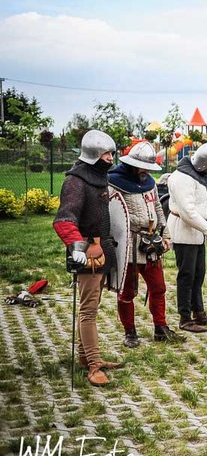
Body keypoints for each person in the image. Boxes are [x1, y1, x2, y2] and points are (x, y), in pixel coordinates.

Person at [53, 130, 123, 386]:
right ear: (94, 154)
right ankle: (94, 364)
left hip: (102, 249)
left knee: (90, 307)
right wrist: (79, 249)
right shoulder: (75, 181)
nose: (110, 158)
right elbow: (64, 221)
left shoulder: (97, 177)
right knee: (88, 311)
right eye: (107, 153)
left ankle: (85, 357)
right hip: (88, 253)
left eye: (112, 153)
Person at [108, 141, 183, 348]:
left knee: (158, 288)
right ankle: (130, 332)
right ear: (132, 164)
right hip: (129, 244)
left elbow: (158, 209)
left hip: (152, 245)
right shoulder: (114, 183)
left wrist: (166, 235)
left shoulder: (149, 182)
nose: (146, 172)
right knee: (127, 293)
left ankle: (160, 328)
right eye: (143, 167)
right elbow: (114, 215)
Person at [167, 142, 207, 333]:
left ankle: (198, 311)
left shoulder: (204, 176)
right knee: (186, 276)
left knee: (198, 274)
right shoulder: (181, 178)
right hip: (184, 232)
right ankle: (185, 317)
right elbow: (188, 212)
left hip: (199, 232)